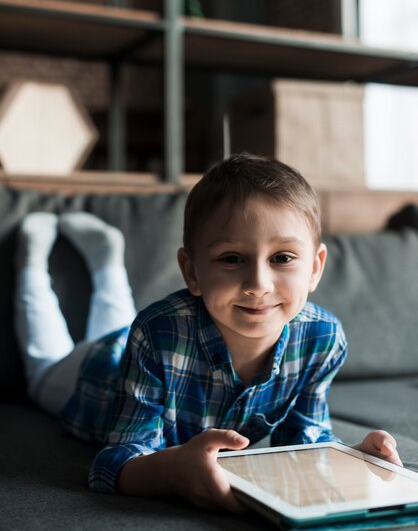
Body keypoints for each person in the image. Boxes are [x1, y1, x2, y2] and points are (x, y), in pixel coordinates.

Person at [14, 154, 402, 514]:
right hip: (92, 374)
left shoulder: (323, 339)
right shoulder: (155, 332)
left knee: (121, 319)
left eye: (282, 258)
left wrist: (352, 458)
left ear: (315, 267)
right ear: (193, 272)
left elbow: (303, 442)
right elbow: (114, 462)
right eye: (232, 259)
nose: (258, 284)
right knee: (42, 361)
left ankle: (105, 258)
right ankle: (31, 263)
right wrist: (173, 471)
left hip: (135, 341)